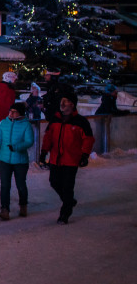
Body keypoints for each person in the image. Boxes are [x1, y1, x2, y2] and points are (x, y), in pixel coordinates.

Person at [39, 93, 94, 224]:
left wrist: (85, 155)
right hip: (55, 158)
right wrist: (43, 152)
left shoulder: (81, 121)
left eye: (66, 101)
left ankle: (65, 213)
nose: (62, 104)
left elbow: (88, 139)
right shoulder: (55, 119)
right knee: (54, 182)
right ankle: (69, 200)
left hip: (71, 159)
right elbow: (48, 137)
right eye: (61, 101)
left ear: (72, 104)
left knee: (68, 186)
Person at [0, 102, 34, 221]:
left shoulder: (26, 125)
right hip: (4, 159)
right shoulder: (3, 123)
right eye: (10, 111)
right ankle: (4, 209)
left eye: (14, 111)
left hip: (20, 161)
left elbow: (29, 141)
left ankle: (23, 205)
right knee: (5, 185)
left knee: (21, 185)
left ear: (20, 113)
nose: (11, 113)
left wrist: (16, 147)